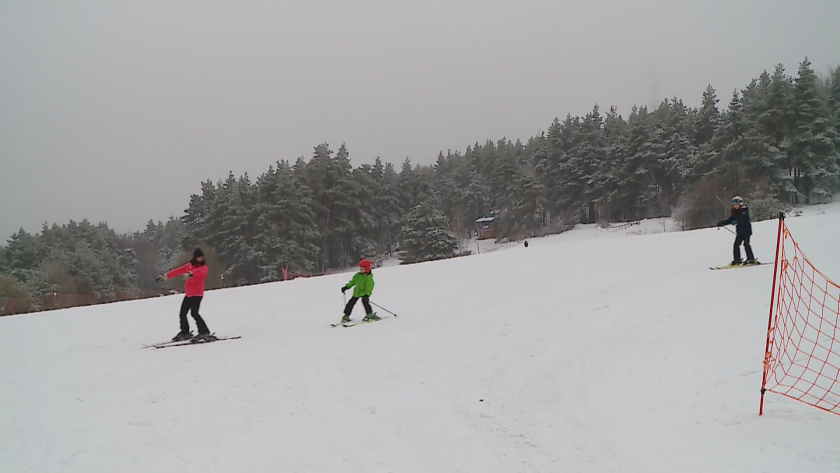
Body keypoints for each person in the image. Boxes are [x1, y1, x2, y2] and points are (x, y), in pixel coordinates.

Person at [156, 247, 215, 341]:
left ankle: (204, 331)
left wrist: (190, 273)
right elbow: (178, 270)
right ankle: (185, 332)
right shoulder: (189, 265)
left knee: (194, 313)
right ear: (195, 257)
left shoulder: (204, 267)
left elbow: (198, 272)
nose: (200, 259)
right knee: (182, 313)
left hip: (197, 294)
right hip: (189, 294)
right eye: (198, 257)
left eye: (201, 257)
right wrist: (166, 276)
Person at [717, 196, 757, 265]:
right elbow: (730, 219)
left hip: (746, 231)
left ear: (740, 204)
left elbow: (743, 218)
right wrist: (722, 223)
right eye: (734, 205)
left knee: (746, 244)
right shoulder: (734, 212)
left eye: (736, 204)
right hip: (740, 232)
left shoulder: (744, 210)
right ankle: (737, 260)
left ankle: (751, 259)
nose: (735, 206)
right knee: (736, 245)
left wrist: (737, 221)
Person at [341, 259, 378, 323]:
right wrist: (346, 287)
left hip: (364, 293)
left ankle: (369, 314)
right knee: (351, 303)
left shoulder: (369, 278)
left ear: (367, 269)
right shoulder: (358, 275)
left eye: (362, 269)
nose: (360, 270)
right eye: (360, 269)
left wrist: (367, 294)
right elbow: (352, 282)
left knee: (365, 302)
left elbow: (369, 287)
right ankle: (346, 315)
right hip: (357, 292)